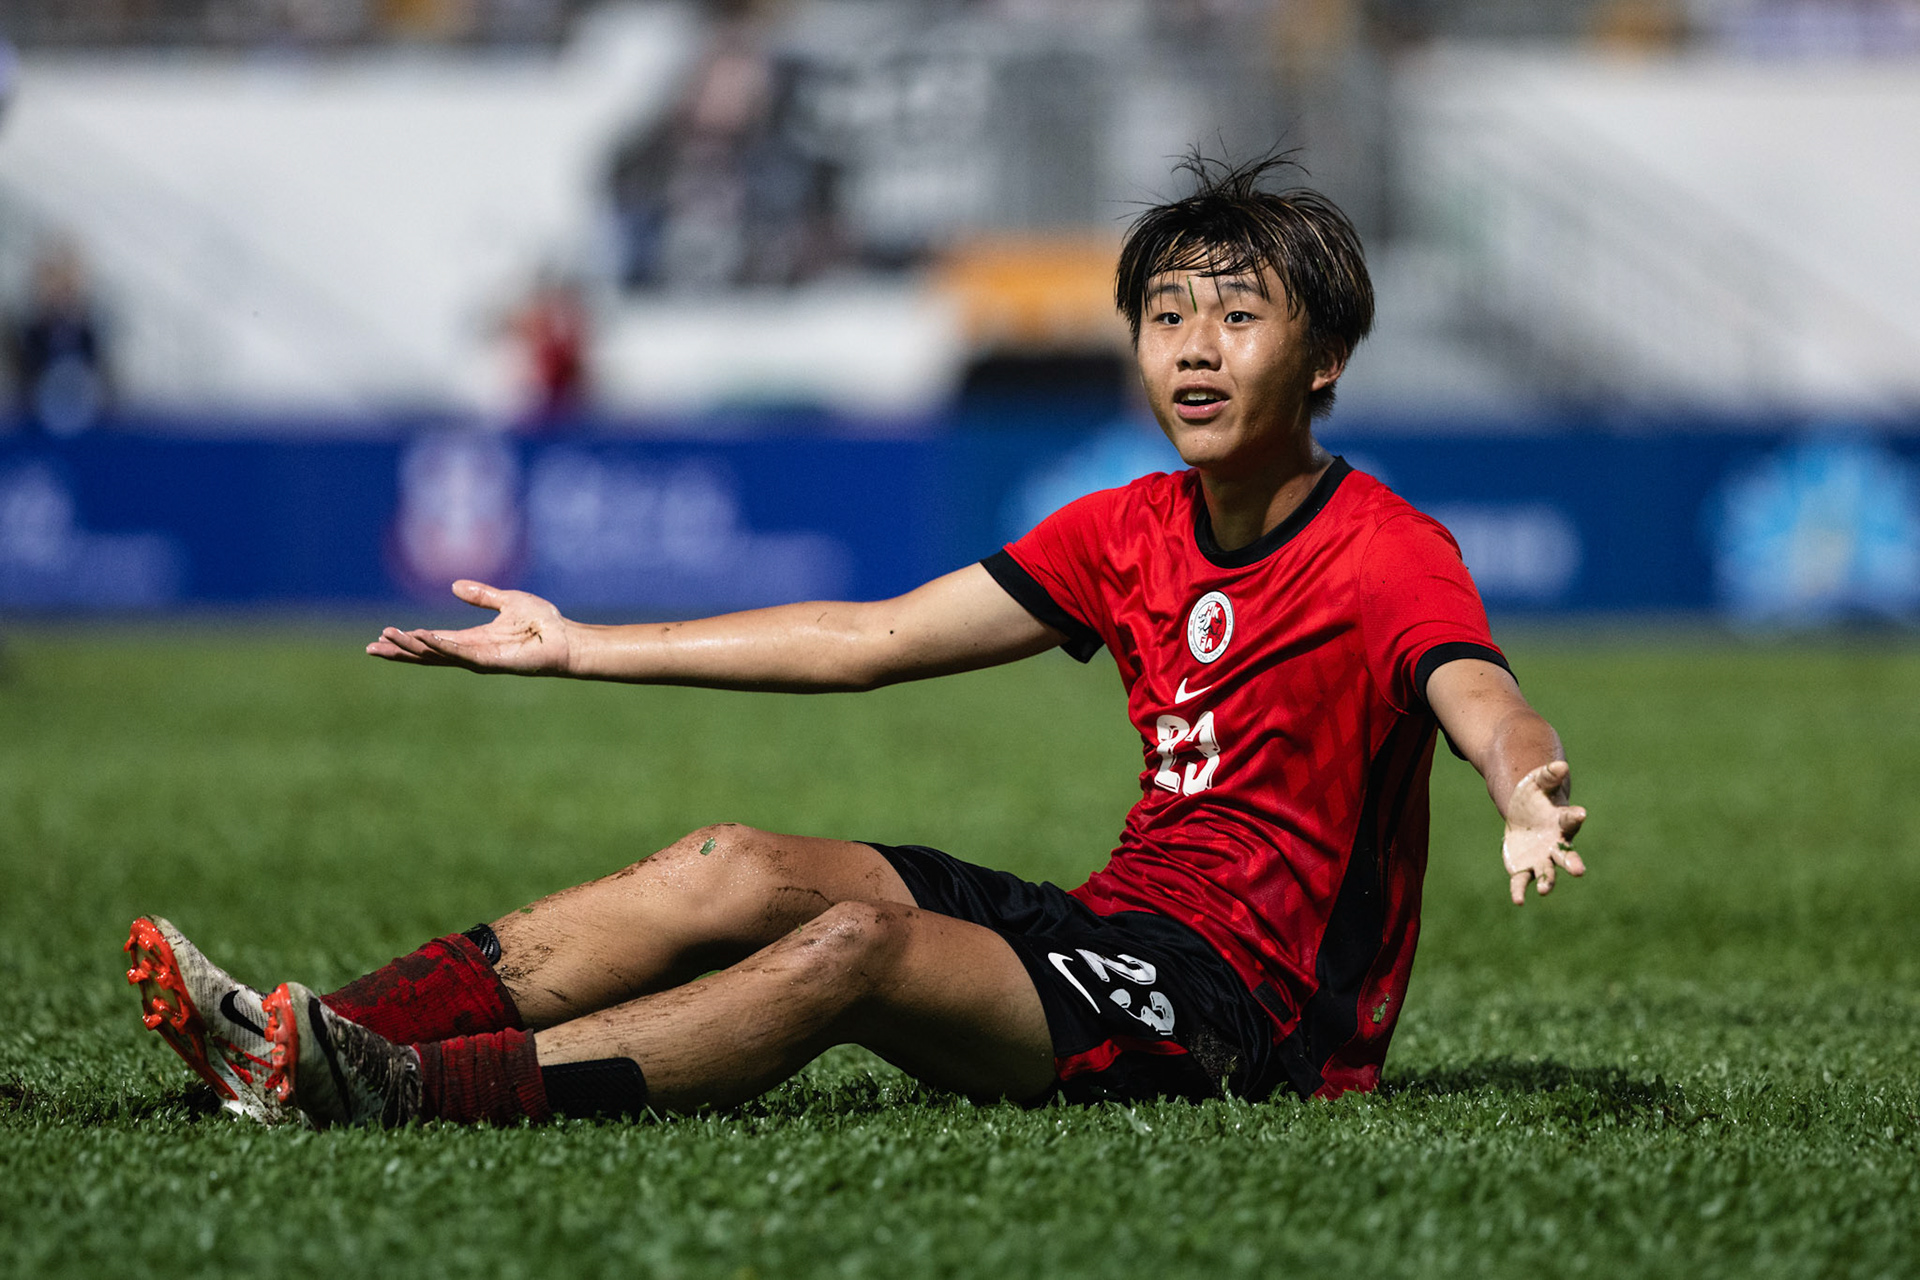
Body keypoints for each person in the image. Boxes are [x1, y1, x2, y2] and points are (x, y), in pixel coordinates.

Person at [126, 153, 1588, 1129]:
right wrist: (578, 647)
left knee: (856, 949)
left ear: (1325, 357)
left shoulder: (1386, 548)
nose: (1193, 350)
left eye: (1237, 318)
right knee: (727, 865)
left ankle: (403, 1090)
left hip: (1247, 1021)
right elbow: (865, 636)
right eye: (1163, 317)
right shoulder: (1128, 525)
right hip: (1114, 927)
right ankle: (284, 1039)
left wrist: (1523, 784)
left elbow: (1476, 693)